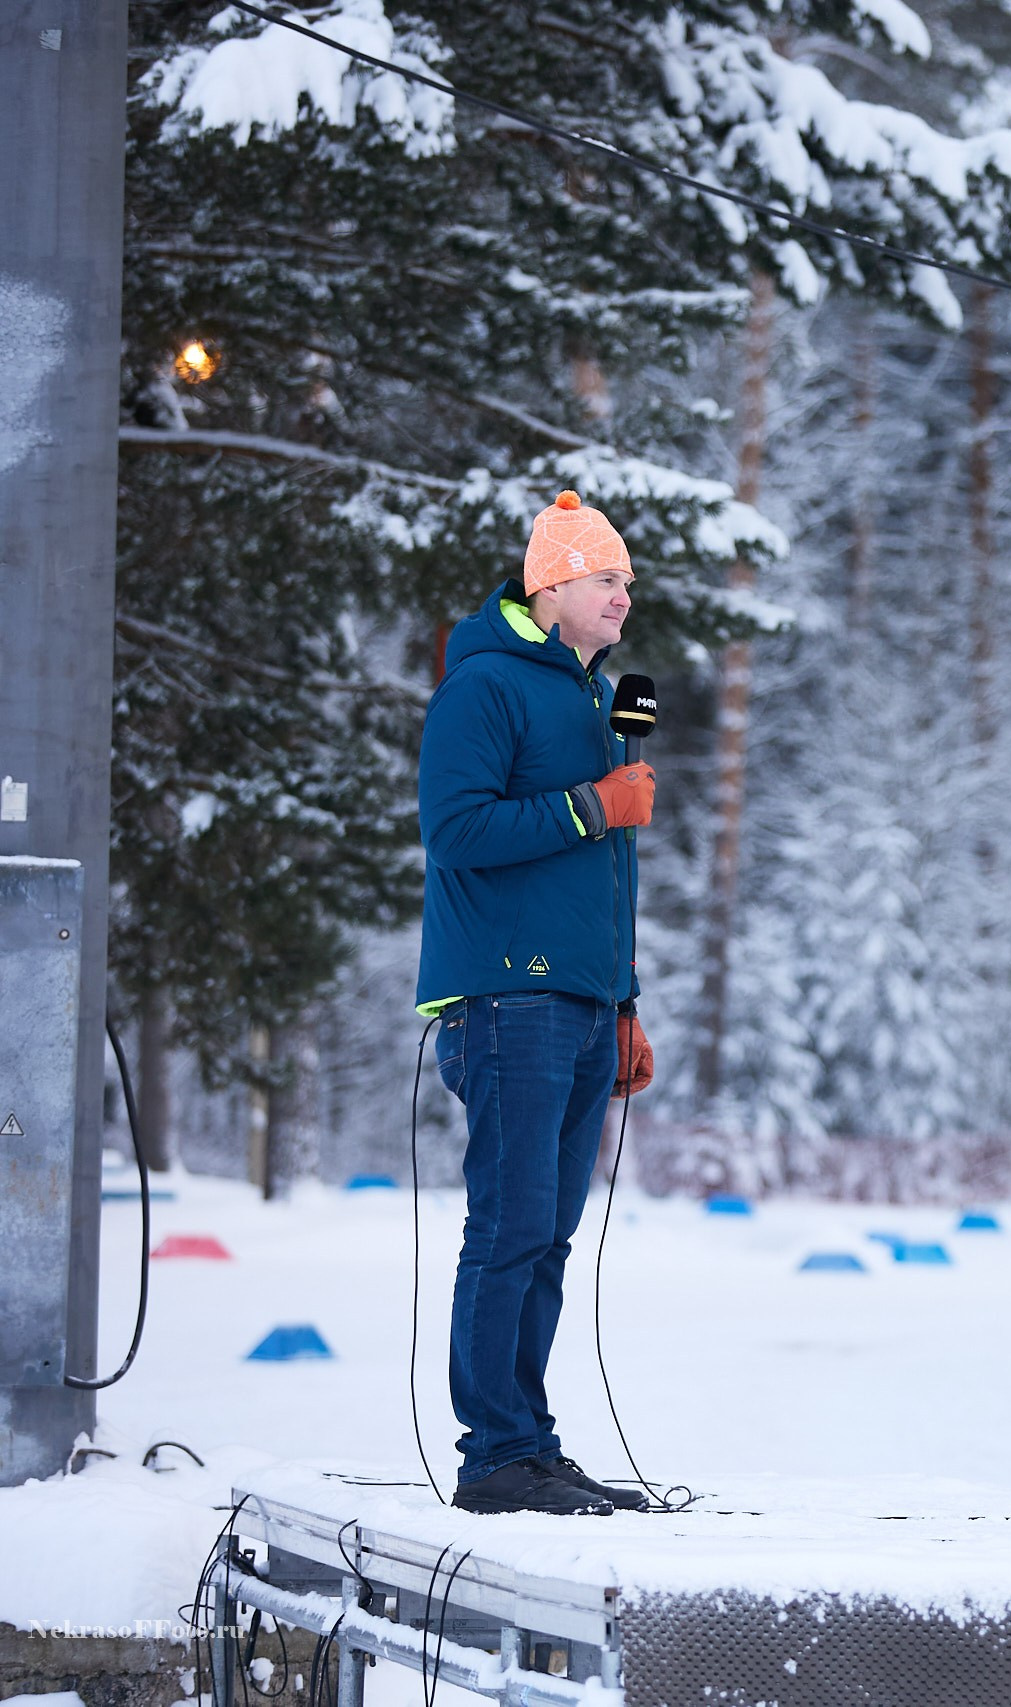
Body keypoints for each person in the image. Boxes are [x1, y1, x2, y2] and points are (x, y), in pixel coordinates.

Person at [416, 490, 659, 1517]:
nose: (623, 595)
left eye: (628, 580)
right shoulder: (485, 685)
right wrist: (593, 804)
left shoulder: (592, 699)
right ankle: (494, 1455)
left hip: (582, 1001)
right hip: (509, 997)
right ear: (550, 585)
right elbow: (456, 830)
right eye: (605, 578)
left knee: (548, 1234)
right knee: (510, 1226)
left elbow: (603, 876)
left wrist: (624, 1002)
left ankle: (530, 1444)